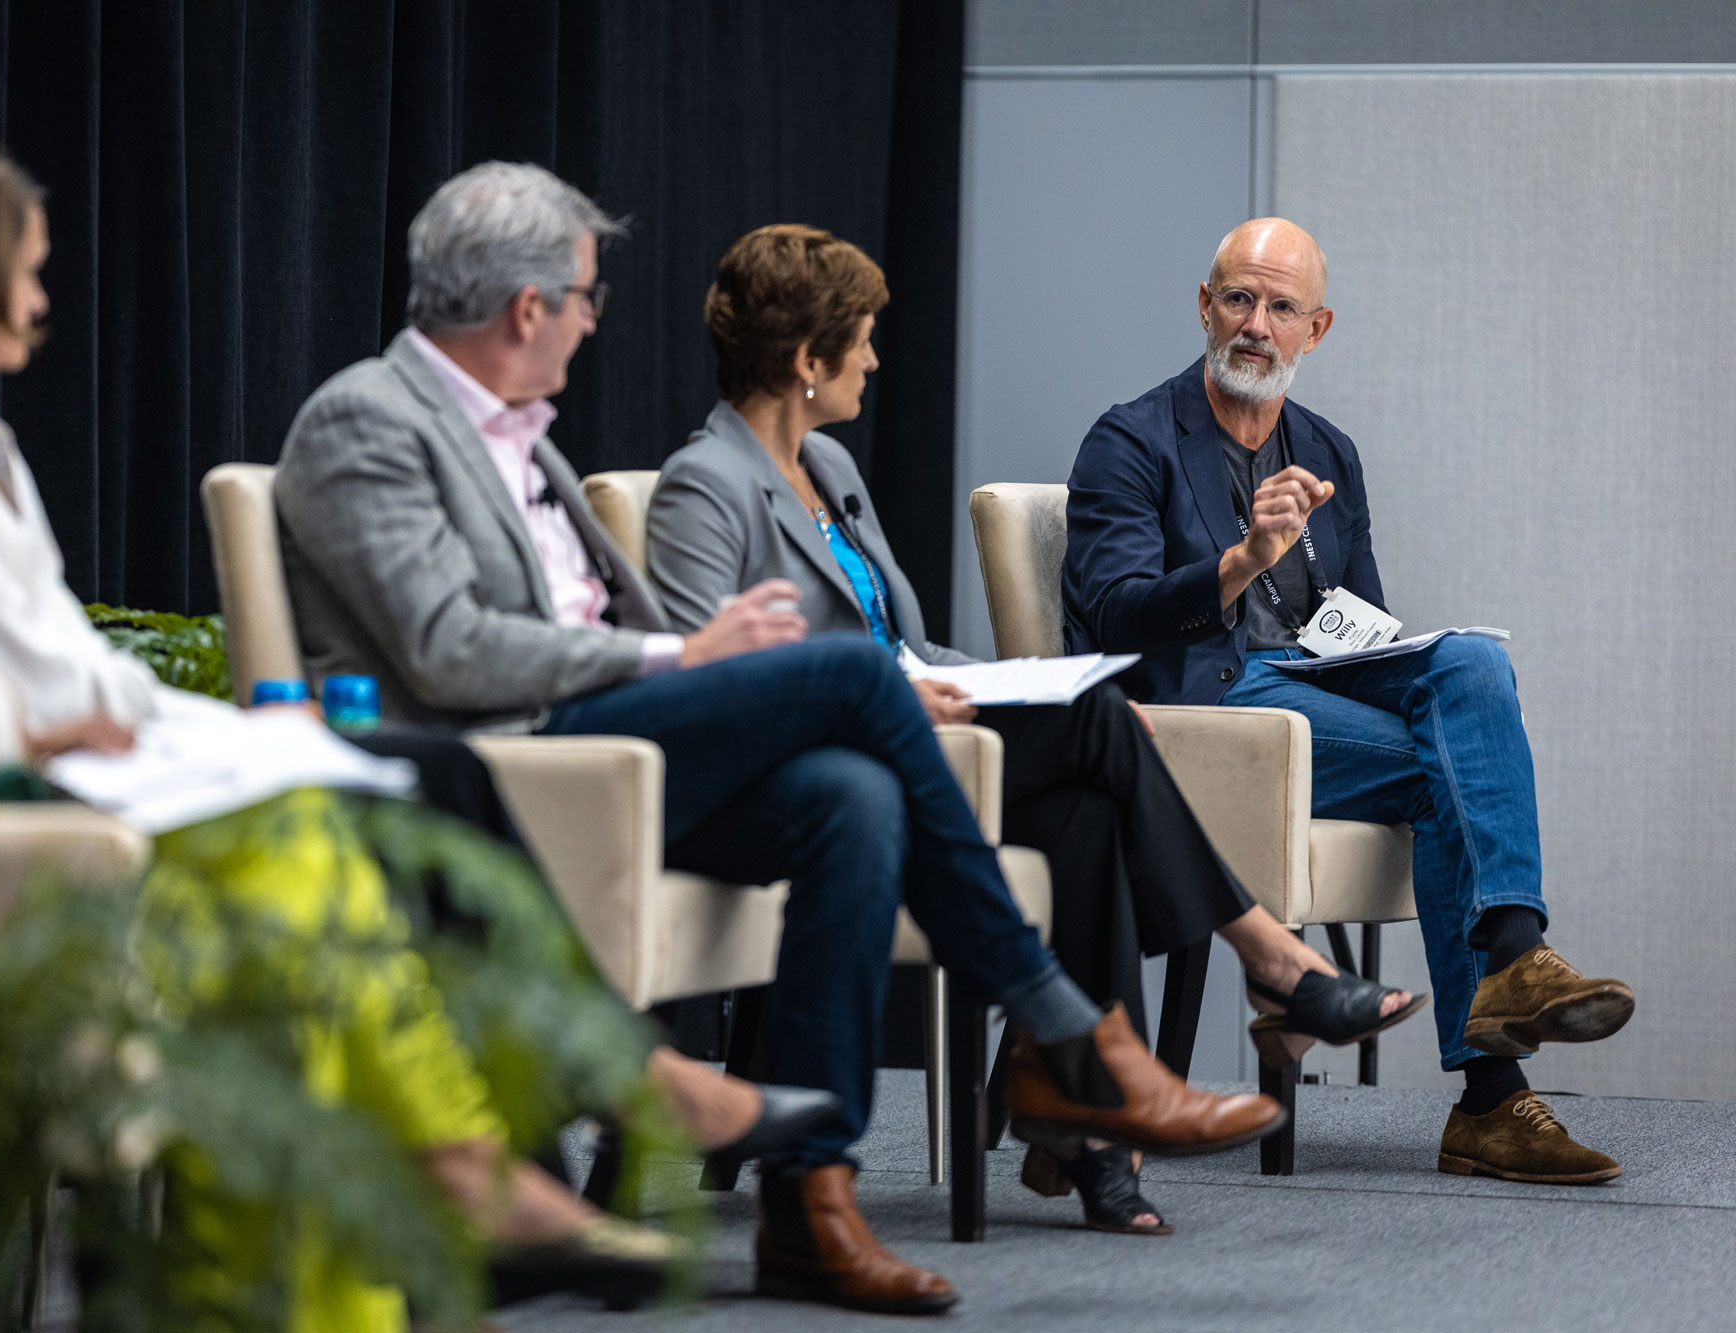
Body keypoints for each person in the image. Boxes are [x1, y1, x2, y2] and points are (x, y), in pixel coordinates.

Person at [0, 132, 850, 1322]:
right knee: (434, 767)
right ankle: (606, 1100)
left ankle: (543, 1143)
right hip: (28, 791)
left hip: (111, 744)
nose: (47, 295)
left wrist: (178, 715)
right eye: (30, 267)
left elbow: (59, 639)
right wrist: (124, 724)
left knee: (425, 772)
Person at [274, 159, 1286, 1315]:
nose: (592, 321)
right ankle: (1065, 1029)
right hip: (514, 758)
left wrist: (698, 666)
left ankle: (813, 1207)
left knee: (849, 800)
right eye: (584, 297)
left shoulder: (524, 437)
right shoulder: (367, 419)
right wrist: (683, 659)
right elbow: (449, 652)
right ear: (524, 309)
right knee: (851, 673)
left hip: (607, 744)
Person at [642, 222, 1427, 1234]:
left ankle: (1095, 1133)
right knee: (1105, 725)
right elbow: (709, 673)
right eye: (863, 338)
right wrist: (883, 683)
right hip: (826, 755)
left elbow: (907, 642)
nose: (878, 358)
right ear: (806, 360)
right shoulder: (703, 485)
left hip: (918, 721)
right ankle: (1266, 964)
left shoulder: (829, 467)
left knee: (1088, 806)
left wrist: (1009, 679)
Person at [1061, 217, 1636, 1185]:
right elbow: (1112, 616)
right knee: (1455, 773)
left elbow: (1358, 618)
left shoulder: (1327, 448)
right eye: (1237, 298)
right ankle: (1493, 1085)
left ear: (1313, 329)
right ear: (1203, 307)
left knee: (1467, 666)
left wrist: (1390, 647)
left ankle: (1512, 952)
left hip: (1311, 689)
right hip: (1204, 711)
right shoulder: (1130, 439)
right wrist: (1242, 560)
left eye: (1279, 306)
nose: (1254, 322)